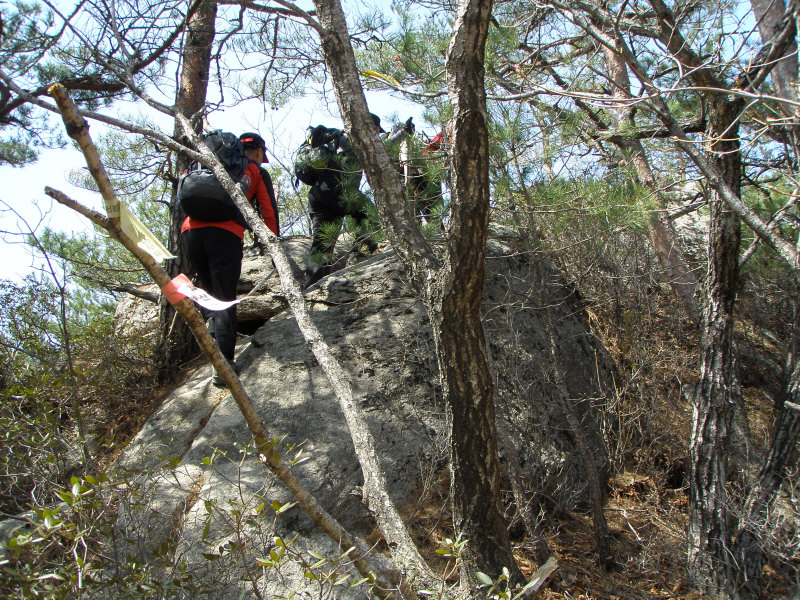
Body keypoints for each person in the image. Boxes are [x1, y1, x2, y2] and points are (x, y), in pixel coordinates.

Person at [180, 132, 278, 387]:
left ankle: (214, 352)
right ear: (258, 151)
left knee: (209, 293)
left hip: (190, 232)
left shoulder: (208, 164)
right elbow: (267, 210)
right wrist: (273, 244)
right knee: (224, 298)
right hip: (225, 233)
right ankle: (223, 365)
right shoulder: (254, 170)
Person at [301, 115, 381, 291]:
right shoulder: (356, 140)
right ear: (370, 127)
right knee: (371, 213)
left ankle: (309, 286)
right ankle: (360, 254)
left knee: (322, 244)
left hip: (318, 196)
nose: (377, 134)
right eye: (376, 130)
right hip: (339, 193)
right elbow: (383, 149)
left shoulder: (333, 140)